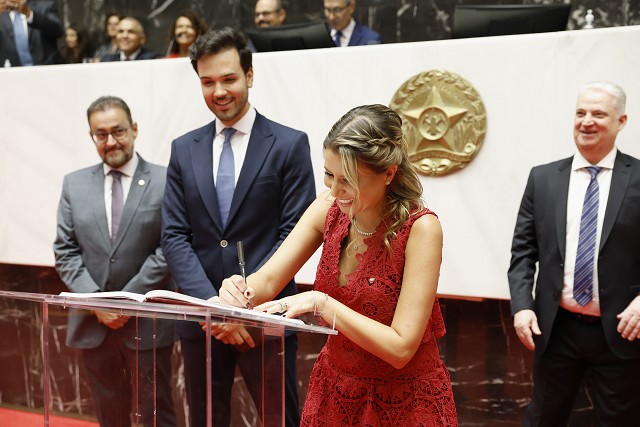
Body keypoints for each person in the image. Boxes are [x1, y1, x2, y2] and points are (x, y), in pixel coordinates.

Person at [218, 104, 458, 426]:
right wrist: (238, 291)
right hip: (336, 392)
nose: (335, 190)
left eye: (349, 180)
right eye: (329, 175)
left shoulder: (420, 229)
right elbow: (269, 279)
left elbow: (401, 347)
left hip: (405, 402)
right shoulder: (327, 208)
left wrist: (321, 303)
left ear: (389, 173)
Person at [161, 27, 315, 427]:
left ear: (249, 75)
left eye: (228, 78)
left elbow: (295, 234)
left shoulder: (288, 144)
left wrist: (242, 305)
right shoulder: (183, 149)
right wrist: (213, 306)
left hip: (266, 317)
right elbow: (175, 236)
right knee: (205, 420)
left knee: (279, 418)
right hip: (201, 321)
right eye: (207, 82)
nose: (219, 91)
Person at [509, 81, 640, 426]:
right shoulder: (543, 178)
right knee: (542, 418)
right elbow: (523, 253)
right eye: (580, 112)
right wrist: (522, 307)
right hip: (556, 329)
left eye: (598, 114)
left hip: (622, 331)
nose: (586, 121)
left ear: (621, 121)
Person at [53, 96, 177, 427]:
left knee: (157, 412)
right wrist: (98, 303)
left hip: (147, 322)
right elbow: (65, 251)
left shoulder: (166, 180)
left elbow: (170, 247)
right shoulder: (74, 184)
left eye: (119, 131)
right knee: (109, 414)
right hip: (94, 325)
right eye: (101, 134)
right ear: (92, 136)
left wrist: (124, 302)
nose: (111, 142)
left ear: (134, 129)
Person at [0, 0, 63, 66]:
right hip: (11, 72)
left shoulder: (45, 5)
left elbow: (58, 30)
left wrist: (29, 13)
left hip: (44, 69)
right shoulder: (2, 10)